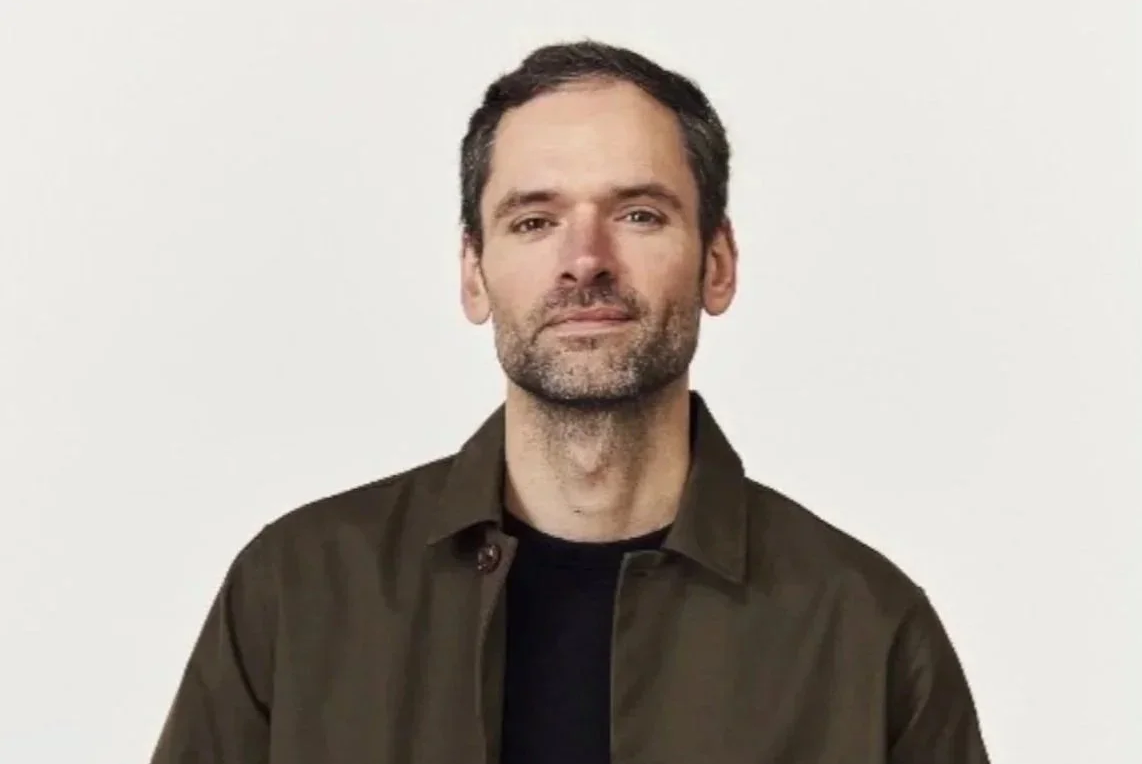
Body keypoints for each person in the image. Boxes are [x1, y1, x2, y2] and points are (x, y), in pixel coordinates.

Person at [150, 40, 991, 764]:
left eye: (639, 213)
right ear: (473, 273)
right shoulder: (296, 594)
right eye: (534, 220)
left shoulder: (867, 630)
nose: (585, 259)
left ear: (718, 263)